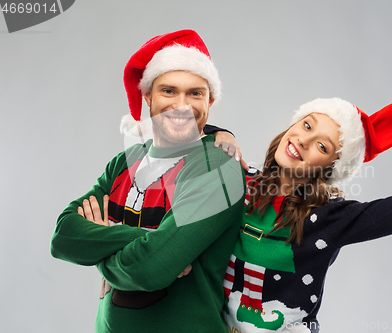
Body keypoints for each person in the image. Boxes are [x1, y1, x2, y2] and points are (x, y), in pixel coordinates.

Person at [221, 57, 392, 332]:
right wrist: (221, 133)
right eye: (307, 125)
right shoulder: (240, 182)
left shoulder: (330, 217)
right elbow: (182, 145)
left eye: (322, 146)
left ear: (330, 168)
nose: (304, 140)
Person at [50, 30, 246, 332]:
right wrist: (143, 241)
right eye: (168, 91)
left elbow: (151, 269)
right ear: (148, 97)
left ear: (211, 100)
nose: (182, 104)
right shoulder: (124, 163)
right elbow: (64, 237)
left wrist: (100, 247)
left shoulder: (218, 166)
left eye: (195, 93)